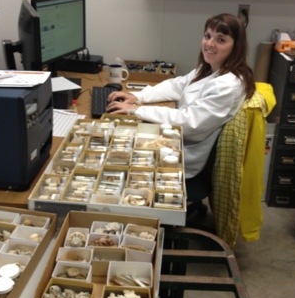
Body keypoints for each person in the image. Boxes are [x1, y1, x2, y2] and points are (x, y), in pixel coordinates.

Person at [106, 13, 256, 179]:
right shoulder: (210, 68)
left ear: (236, 46)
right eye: (207, 36)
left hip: (182, 155)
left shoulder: (227, 85)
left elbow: (189, 122)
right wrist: (137, 97)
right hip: (176, 140)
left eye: (221, 40)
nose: (210, 44)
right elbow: (177, 85)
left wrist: (136, 110)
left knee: (114, 153)